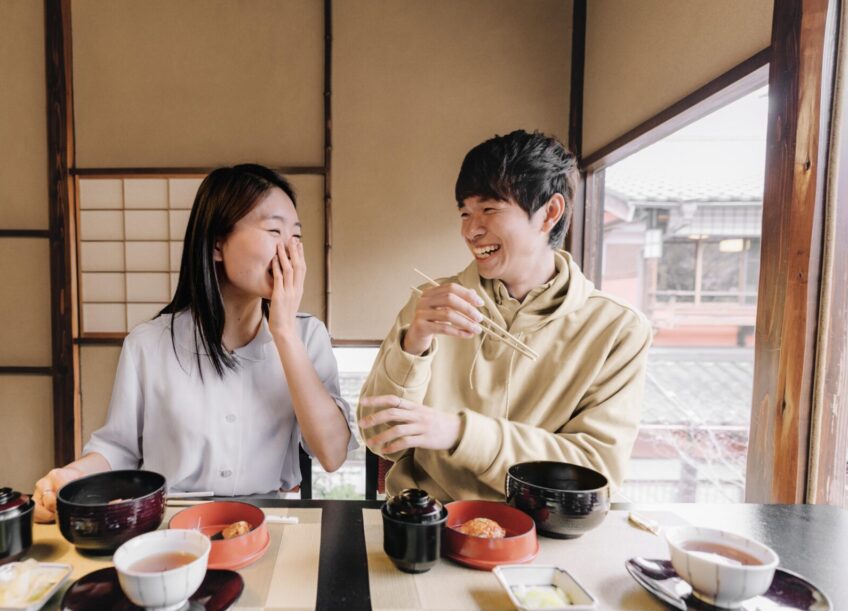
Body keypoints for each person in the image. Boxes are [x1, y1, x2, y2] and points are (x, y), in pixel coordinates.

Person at [34, 164, 354, 522]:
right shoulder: (148, 344)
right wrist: (72, 476)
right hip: (171, 524)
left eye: (295, 236)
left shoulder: (307, 336)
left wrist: (284, 333)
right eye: (274, 230)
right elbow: (118, 448)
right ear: (218, 244)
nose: (290, 251)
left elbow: (333, 454)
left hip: (271, 522)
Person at [358, 131, 651, 501]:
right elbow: (379, 437)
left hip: (543, 528)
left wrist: (459, 433)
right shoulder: (431, 304)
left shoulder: (616, 329)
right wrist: (413, 345)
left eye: (489, 210)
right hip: (430, 524)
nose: (470, 229)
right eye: (465, 212)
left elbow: (596, 473)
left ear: (550, 212)